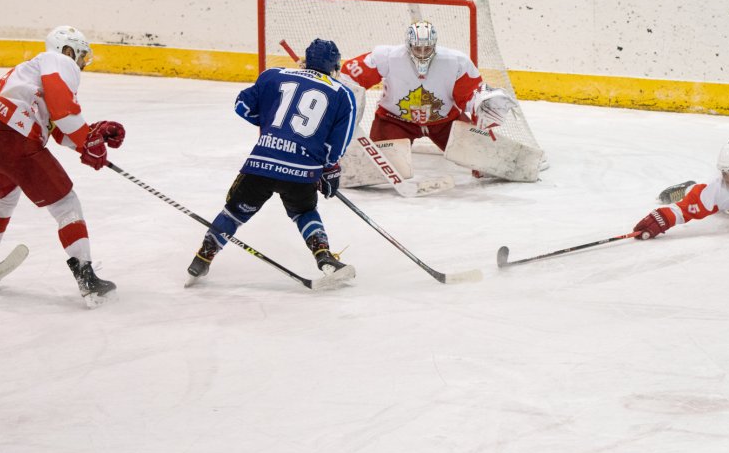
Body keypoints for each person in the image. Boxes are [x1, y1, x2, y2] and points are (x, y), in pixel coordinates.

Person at [186, 38, 358, 285]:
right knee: (304, 211)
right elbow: (337, 143)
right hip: (301, 171)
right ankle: (324, 256)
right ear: (335, 66)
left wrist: (271, 124)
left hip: (261, 163)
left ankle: (202, 258)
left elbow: (242, 106)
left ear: (305, 60)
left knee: (233, 213)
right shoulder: (343, 93)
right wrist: (329, 169)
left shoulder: (273, 75)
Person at [0, 25, 125, 307]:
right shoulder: (58, 61)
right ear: (69, 50)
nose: (82, 64)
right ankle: (86, 277)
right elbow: (64, 111)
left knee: (2, 197)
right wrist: (88, 142)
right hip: (14, 137)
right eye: (81, 56)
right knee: (66, 205)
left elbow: (58, 128)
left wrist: (90, 139)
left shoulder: (30, 75)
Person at [339, 20, 515, 152]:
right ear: (408, 45)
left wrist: (481, 102)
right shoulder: (387, 57)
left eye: (427, 48)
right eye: (417, 48)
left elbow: (469, 94)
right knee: (381, 165)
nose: (422, 53)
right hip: (395, 121)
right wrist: (346, 107)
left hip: (445, 122)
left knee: (481, 157)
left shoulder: (456, 61)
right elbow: (349, 76)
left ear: (434, 44)